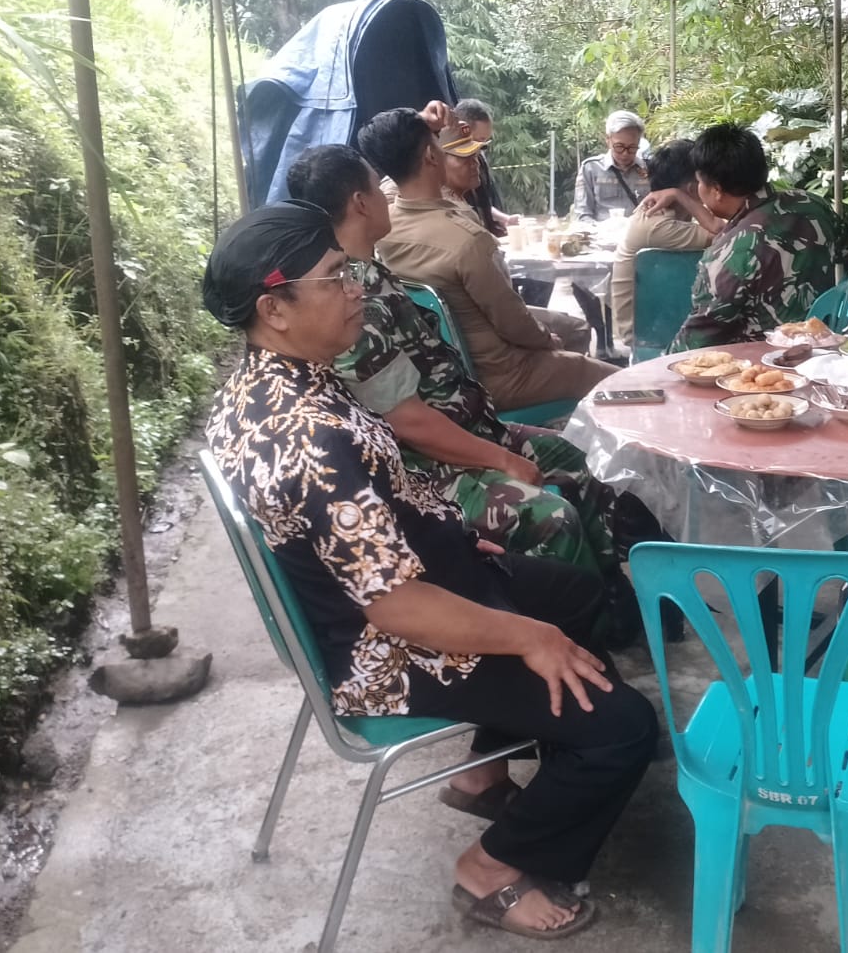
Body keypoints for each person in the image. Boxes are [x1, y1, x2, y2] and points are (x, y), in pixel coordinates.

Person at [202, 201, 657, 939]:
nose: (356, 288)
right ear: (273, 308)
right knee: (624, 728)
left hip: (411, 586)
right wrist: (530, 638)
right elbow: (396, 606)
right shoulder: (307, 438)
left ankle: (489, 771)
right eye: (335, 277)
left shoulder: (267, 383)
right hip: (390, 648)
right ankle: (491, 867)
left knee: (574, 593)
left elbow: (373, 513)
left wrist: (450, 535)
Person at [286, 144, 633, 589]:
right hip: (428, 466)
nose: (388, 197)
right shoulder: (352, 300)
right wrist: (503, 459)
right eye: (378, 188)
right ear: (360, 203)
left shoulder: (373, 270)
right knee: (552, 518)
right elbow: (408, 422)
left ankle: (613, 591)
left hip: (469, 426)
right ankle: (574, 614)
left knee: (579, 456)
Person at [365, 109, 618, 411]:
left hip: (449, 367)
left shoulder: (385, 226)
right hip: (499, 374)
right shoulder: (467, 240)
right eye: (437, 144)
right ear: (432, 156)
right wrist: (546, 341)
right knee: (622, 383)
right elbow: (511, 321)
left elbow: (394, 168)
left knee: (569, 334)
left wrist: (414, 129)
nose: (475, 161)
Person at [667, 124, 848, 352]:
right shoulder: (812, 204)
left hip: (767, 359)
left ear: (716, 189)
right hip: (825, 340)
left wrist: (655, 367)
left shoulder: (730, 253)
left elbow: (699, 337)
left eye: (699, 182)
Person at [609, 139, 719, 348]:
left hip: (660, 325)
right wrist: (680, 196)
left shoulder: (659, 213)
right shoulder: (657, 225)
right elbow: (729, 232)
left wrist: (680, 196)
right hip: (646, 334)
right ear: (692, 188)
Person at [574, 111, 651, 223]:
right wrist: (600, 229)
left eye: (632, 147)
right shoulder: (590, 168)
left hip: (640, 232)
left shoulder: (651, 169)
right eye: (619, 146)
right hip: (601, 232)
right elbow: (583, 215)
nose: (625, 154)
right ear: (608, 140)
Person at [455, 98, 513, 236]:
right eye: (479, 141)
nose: (480, 150)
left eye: (485, 143)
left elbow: (481, 205)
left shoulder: (480, 160)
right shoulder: (444, 169)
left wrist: (504, 219)